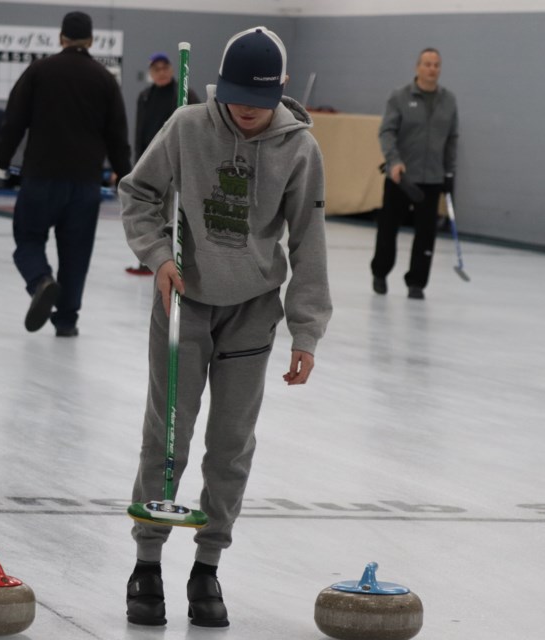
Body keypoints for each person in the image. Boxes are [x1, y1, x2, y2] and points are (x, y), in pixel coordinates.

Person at [118, 27, 332, 627]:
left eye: (260, 101)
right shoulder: (188, 127)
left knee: (231, 445)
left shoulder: (300, 151)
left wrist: (307, 331)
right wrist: (158, 255)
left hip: (253, 310)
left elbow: (309, 241)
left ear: (281, 92)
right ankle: (147, 562)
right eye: (237, 95)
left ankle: (207, 566)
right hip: (183, 303)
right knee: (168, 436)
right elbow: (138, 193)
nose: (246, 109)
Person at [0, 11, 132, 337]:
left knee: (28, 238)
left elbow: (14, 120)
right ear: (92, 41)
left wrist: (0, 163)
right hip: (85, 184)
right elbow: (117, 136)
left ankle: (41, 280)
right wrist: (126, 178)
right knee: (77, 251)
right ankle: (66, 320)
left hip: (41, 177)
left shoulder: (40, 71)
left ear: (61, 38)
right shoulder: (104, 79)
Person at [371, 47, 458, 299]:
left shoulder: (449, 100)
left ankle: (416, 283)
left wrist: (449, 173)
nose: (432, 69)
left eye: (436, 65)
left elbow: (452, 138)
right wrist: (394, 161)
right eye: (428, 64)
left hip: (432, 178)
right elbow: (386, 132)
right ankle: (380, 272)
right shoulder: (399, 96)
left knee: (426, 234)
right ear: (417, 67)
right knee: (388, 229)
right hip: (401, 177)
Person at [126, 51, 200, 276]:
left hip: (173, 165)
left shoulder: (184, 95)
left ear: (171, 69)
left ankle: (168, 259)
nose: (161, 72)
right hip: (147, 164)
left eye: (164, 68)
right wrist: (137, 161)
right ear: (151, 73)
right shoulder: (145, 96)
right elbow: (140, 129)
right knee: (146, 212)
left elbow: (196, 131)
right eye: (156, 69)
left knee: (170, 213)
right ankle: (148, 259)